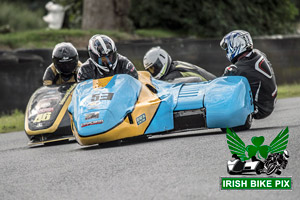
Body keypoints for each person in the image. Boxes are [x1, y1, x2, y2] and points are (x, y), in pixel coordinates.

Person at [220, 30, 277, 119]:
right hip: (270, 103)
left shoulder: (236, 69)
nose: (227, 51)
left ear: (236, 45)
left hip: (259, 108)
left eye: (228, 48)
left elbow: (220, 89)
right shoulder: (259, 54)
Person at [143, 46, 216, 82]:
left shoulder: (174, 74)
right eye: (150, 70)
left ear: (161, 61)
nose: (152, 72)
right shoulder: (175, 65)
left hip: (214, 87)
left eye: (154, 68)